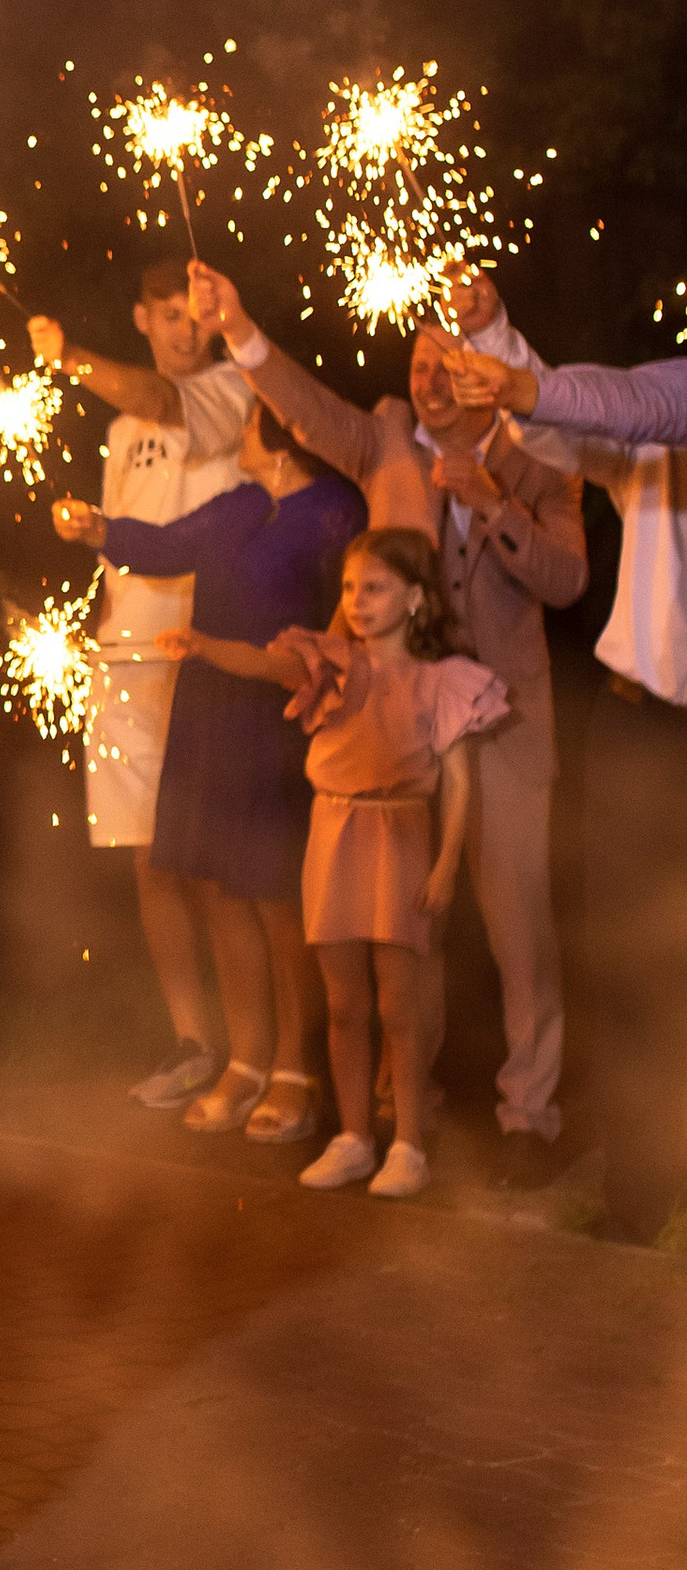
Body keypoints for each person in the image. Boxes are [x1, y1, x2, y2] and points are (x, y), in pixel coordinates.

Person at [189, 260, 585, 1181]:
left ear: (485, 372)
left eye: (448, 364)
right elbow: (304, 409)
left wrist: (492, 501)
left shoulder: (542, 461)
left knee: (517, 921)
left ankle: (529, 1113)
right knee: (406, 929)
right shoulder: (385, 444)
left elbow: (567, 579)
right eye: (418, 364)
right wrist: (239, 327)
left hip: (502, 724)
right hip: (394, 727)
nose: (429, 378)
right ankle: (406, 1111)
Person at [52, 406, 360, 1143]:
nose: (240, 433)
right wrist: (96, 528)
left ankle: (296, 1065)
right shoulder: (241, 502)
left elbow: (349, 606)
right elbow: (166, 545)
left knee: (276, 893)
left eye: (251, 422)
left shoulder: (334, 509)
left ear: (285, 435)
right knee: (219, 887)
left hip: (275, 712)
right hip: (208, 705)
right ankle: (247, 1058)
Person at [445, 311, 687, 1234]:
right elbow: (569, 425)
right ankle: (639, 1191)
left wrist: (527, 384)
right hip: (639, 735)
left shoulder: (667, 406)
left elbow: (640, 403)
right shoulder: (646, 435)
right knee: (630, 967)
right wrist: (498, 343)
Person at [29, 269, 253, 1107]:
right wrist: (90, 545)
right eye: (168, 315)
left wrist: (70, 359)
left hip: (199, 655)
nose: (186, 330)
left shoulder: (232, 392)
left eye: (196, 316)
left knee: (212, 864)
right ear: (143, 317)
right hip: (124, 659)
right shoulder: (120, 430)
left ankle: (253, 1054)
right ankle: (192, 1040)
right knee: (150, 859)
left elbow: (161, 396)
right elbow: (119, 542)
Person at [292, 529, 505, 1200]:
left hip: (399, 838)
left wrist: (445, 865)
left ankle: (409, 1142)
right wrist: (207, 647)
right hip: (333, 832)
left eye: (375, 588)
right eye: (350, 587)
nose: (357, 601)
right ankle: (354, 1137)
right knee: (344, 1003)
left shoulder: (440, 680)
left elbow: (459, 782)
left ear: (415, 597)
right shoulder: (333, 669)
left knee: (400, 1005)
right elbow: (267, 666)